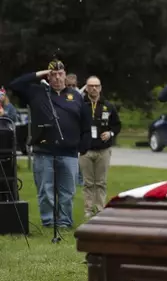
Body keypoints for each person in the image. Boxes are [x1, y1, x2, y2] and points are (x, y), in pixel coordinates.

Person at [6, 59, 91, 228]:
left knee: (67, 191)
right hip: (43, 151)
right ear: (48, 76)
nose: (57, 78)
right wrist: (41, 73)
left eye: (60, 74)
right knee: (46, 190)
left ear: (65, 75)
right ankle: (48, 222)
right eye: (53, 75)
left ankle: (65, 222)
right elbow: (15, 85)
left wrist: (83, 146)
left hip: (68, 152)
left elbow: (85, 124)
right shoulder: (37, 92)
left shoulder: (76, 97)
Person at [79, 76, 122, 218]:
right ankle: (88, 209)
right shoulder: (80, 105)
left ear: (101, 87)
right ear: (86, 88)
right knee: (88, 183)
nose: (94, 88)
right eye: (91, 86)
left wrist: (110, 133)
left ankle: (100, 208)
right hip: (86, 149)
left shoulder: (108, 106)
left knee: (101, 182)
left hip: (103, 149)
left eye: (96, 86)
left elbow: (117, 125)